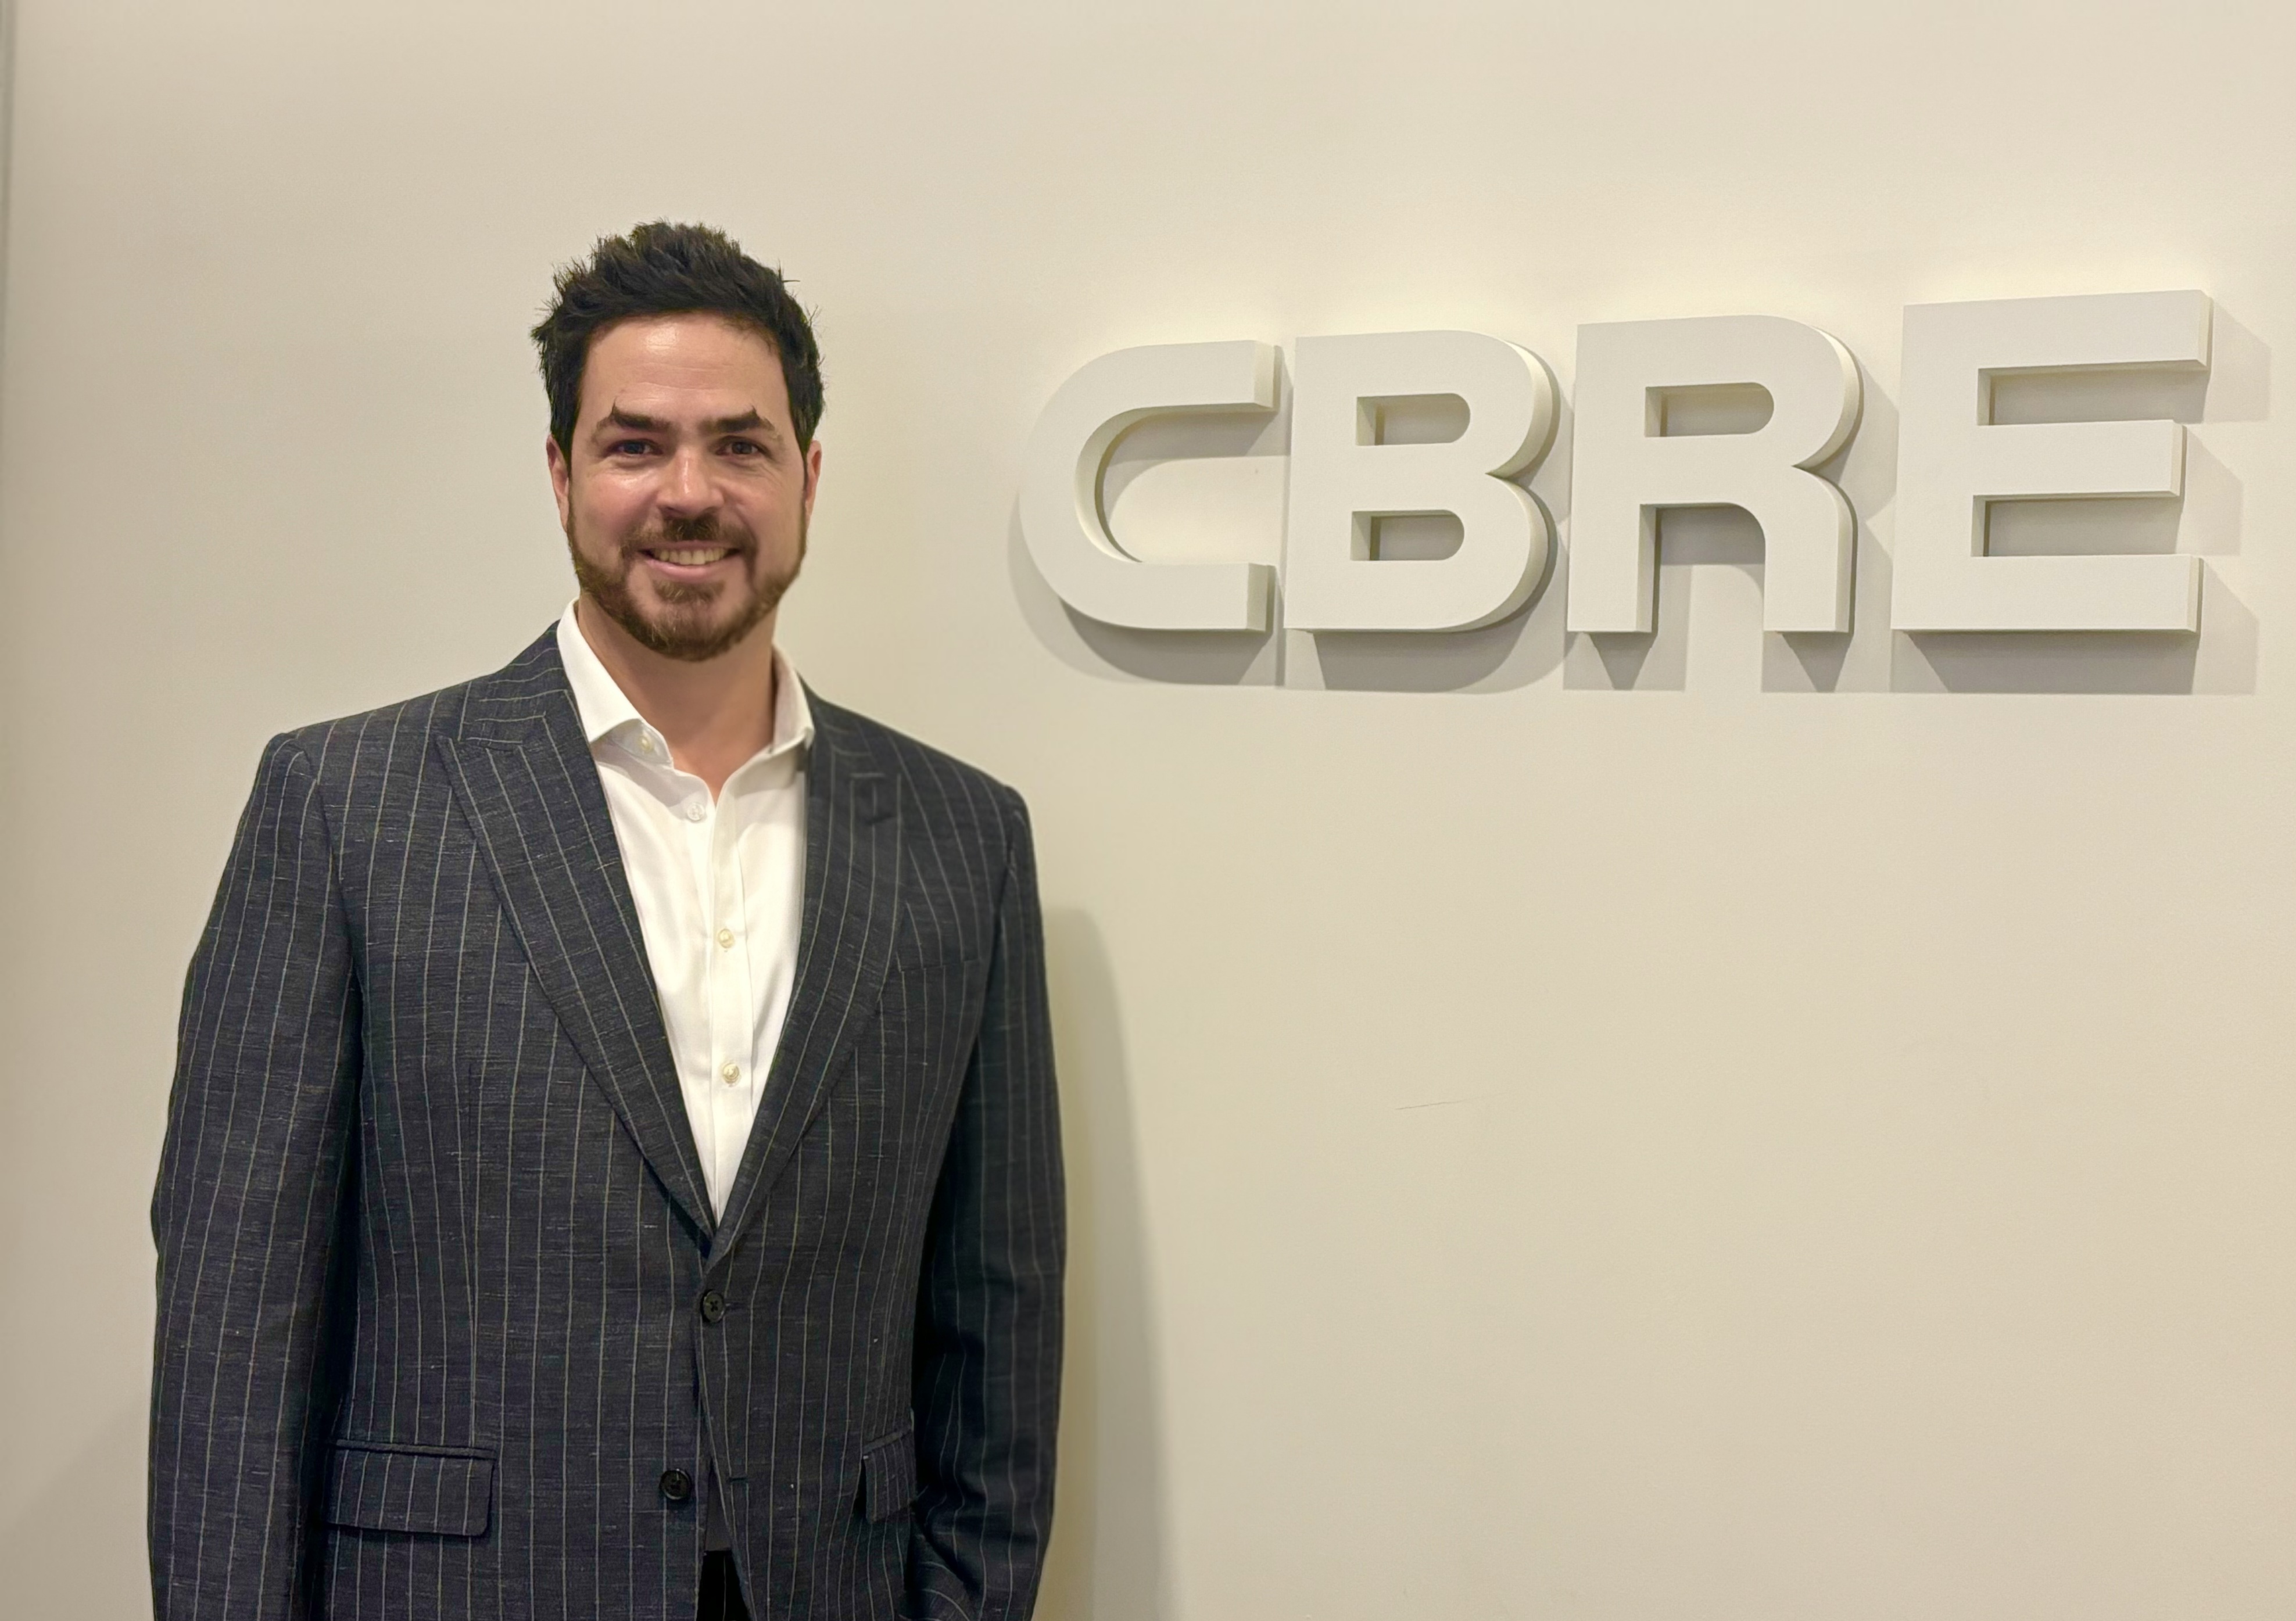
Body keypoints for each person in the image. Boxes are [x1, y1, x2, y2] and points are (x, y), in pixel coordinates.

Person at [148, 222, 1065, 1621]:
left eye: (740, 446)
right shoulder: (346, 808)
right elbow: (235, 1323)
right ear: (561, 473)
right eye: (636, 445)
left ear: (808, 479)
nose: (689, 493)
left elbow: (999, 1310)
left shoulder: (960, 836)